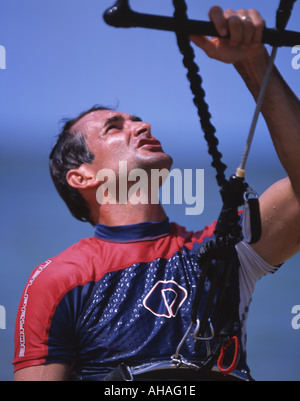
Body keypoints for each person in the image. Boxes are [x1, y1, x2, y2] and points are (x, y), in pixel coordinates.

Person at [13, 6, 300, 381]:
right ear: (82, 177)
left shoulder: (221, 252)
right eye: (114, 127)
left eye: (137, 119)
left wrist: (254, 61)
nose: (142, 124)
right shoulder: (59, 279)